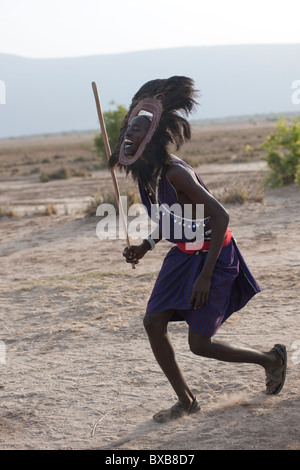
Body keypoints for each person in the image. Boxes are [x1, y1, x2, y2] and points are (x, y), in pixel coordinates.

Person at [109, 76, 287, 423]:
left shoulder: (176, 173)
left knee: (200, 344)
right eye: (128, 130)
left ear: (154, 136)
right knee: (152, 322)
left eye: (138, 130)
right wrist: (146, 245)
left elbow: (221, 215)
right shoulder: (149, 176)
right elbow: (171, 217)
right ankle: (186, 400)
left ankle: (272, 360)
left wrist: (206, 276)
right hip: (183, 254)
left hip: (214, 257)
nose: (129, 135)